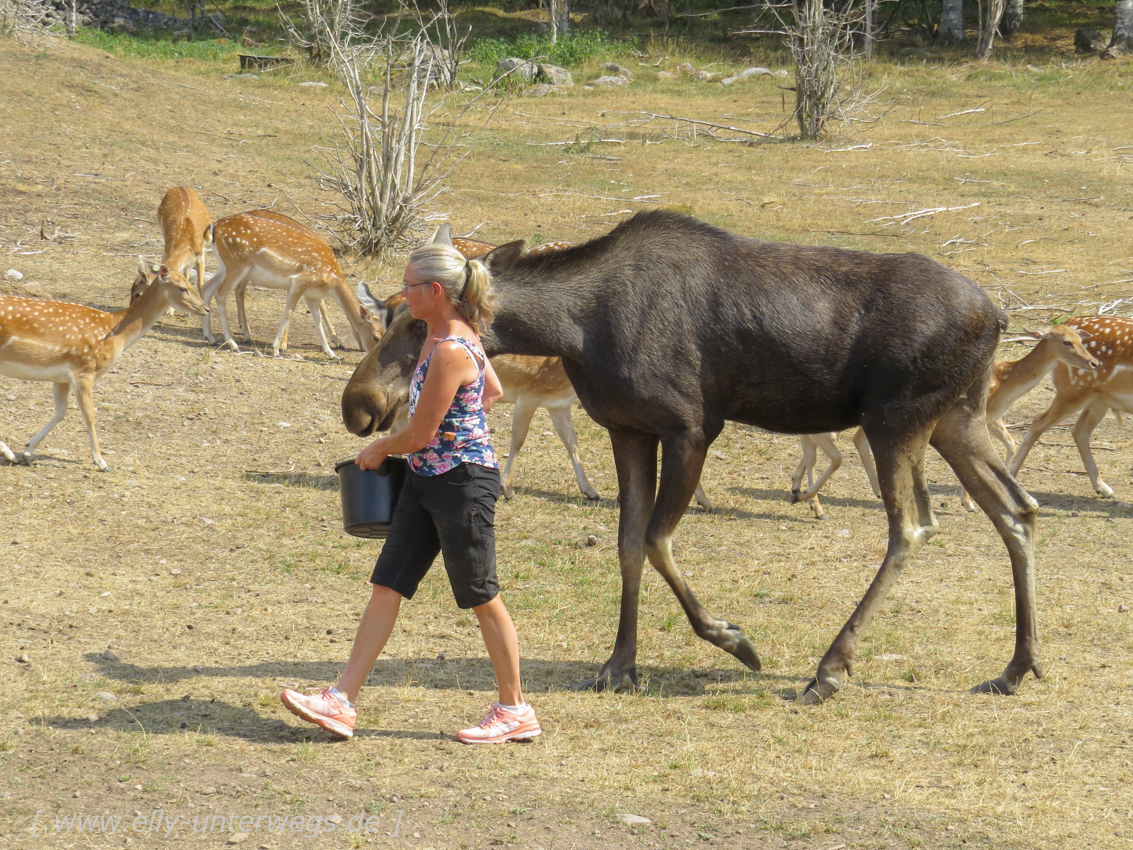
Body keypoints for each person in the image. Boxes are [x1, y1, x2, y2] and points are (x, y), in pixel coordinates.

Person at [280, 242, 540, 745]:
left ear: (435, 291)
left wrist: (380, 448)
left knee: (482, 594)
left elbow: (419, 433)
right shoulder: (453, 337)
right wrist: (462, 420)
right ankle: (342, 700)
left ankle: (515, 709)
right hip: (428, 479)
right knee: (388, 585)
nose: (402, 293)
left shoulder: (447, 351)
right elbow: (492, 391)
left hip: (461, 483)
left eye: (409, 285)